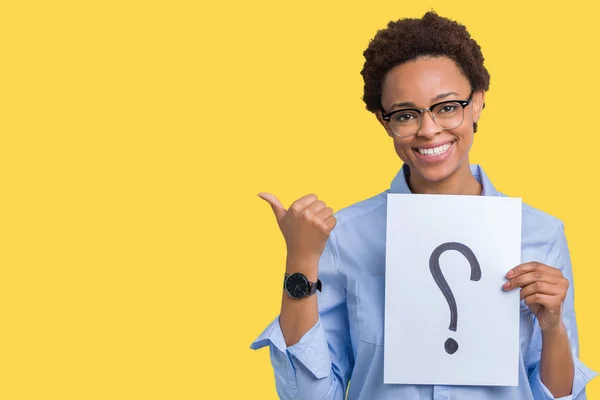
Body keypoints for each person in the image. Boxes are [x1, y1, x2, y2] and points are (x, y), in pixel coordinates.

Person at [250, 11, 597, 400]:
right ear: (385, 123)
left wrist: (553, 329)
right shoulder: (341, 236)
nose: (429, 129)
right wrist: (299, 263)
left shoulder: (540, 234)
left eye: (447, 107)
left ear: (477, 103)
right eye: (406, 114)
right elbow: (310, 397)